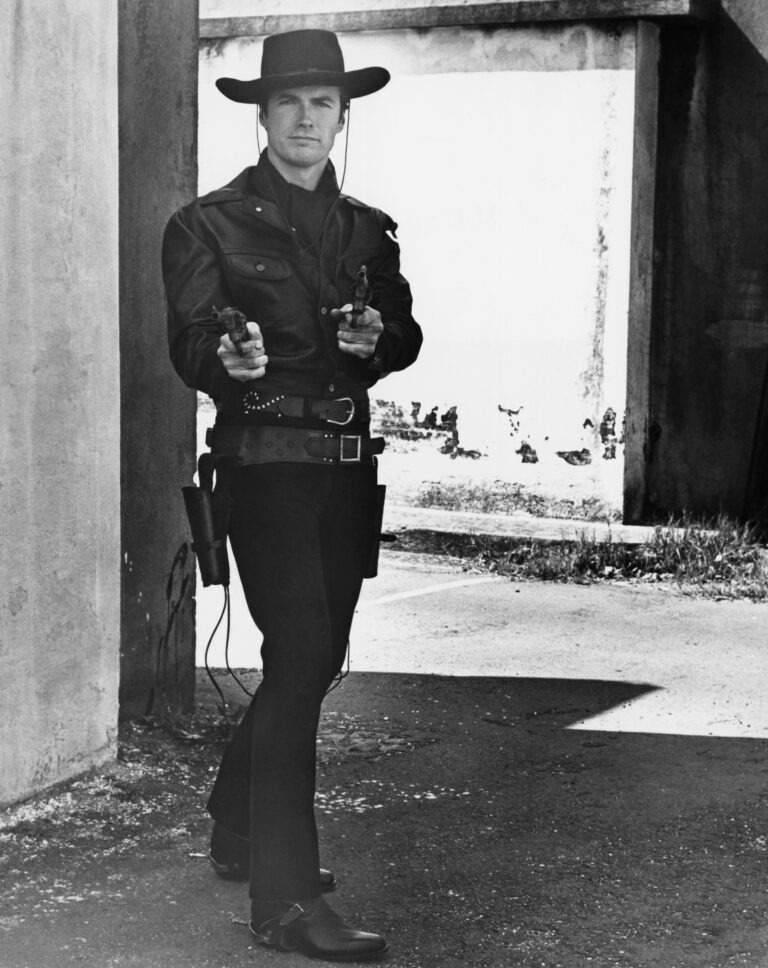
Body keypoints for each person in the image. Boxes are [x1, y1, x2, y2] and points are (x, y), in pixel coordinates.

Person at [162, 28, 422, 963]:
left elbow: (406, 330)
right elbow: (192, 339)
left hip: (346, 469)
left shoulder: (367, 230)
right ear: (263, 117)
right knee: (303, 649)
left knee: (313, 660)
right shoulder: (205, 225)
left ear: (342, 117)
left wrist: (376, 340)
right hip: (264, 464)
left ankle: (239, 821)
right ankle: (284, 901)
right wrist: (225, 360)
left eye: (322, 103)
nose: (305, 118)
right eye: (288, 103)